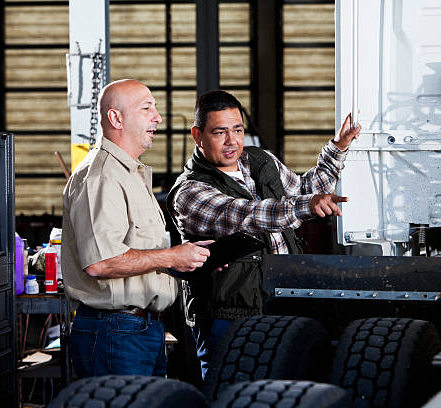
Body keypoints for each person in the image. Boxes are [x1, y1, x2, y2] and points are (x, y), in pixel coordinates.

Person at [169, 90, 361, 379]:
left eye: (237, 130)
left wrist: (338, 146)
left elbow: (306, 189)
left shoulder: (259, 161)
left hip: (283, 302)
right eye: (219, 132)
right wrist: (305, 206)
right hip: (229, 316)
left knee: (285, 390)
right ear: (197, 135)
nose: (232, 141)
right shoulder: (190, 192)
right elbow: (247, 214)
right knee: (233, 392)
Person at [62, 79, 213, 378]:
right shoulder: (101, 178)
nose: (157, 117)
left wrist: (188, 260)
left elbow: (140, 252)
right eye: (147, 108)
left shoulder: (130, 173)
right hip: (115, 333)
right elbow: (100, 262)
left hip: (139, 330)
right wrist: (171, 257)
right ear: (116, 118)